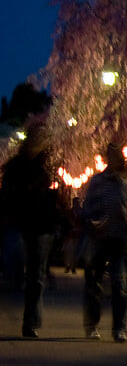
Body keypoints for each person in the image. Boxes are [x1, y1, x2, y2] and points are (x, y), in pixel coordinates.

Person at [81, 143, 127, 342]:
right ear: (108, 158)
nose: (118, 159)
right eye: (114, 155)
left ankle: (120, 327)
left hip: (123, 239)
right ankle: (92, 324)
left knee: (120, 283)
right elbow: (88, 208)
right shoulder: (97, 182)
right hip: (99, 239)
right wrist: (92, 221)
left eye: (120, 156)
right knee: (94, 284)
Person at [0, 126, 60, 338]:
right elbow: (6, 194)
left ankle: (31, 321)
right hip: (19, 222)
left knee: (36, 275)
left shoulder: (48, 166)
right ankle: (17, 288)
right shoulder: (15, 167)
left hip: (42, 225)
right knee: (15, 260)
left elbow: (55, 198)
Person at [63, 197, 82, 274]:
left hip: (78, 235)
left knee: (76, 252)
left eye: (78, 202)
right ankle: (68, 265)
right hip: (70, 235)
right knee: (69, 251)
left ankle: (73, 266)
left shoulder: (81, 212)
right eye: (76, 202)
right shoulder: (70, 212)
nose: (77, 204)